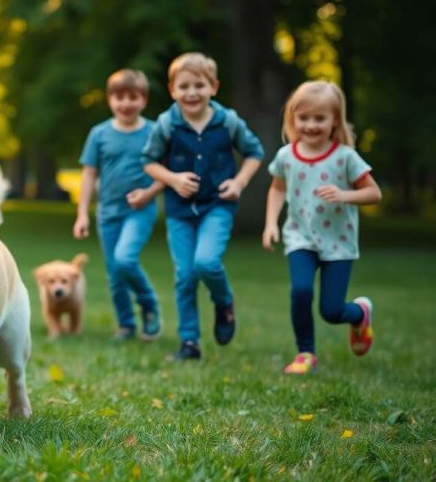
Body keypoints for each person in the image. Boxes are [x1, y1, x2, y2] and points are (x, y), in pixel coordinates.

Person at [143, 52, 264, 361]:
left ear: (214, 86)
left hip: (217, 206)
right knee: (185, 276)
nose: (192, 92)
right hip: (179, 212)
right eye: (184, 86)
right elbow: (149, 163)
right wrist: (172, 178)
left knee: (206, 263)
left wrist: (238, 183)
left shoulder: (228, 121)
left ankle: (224, 302)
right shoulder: (167, 124)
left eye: (200, 85)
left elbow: (254, 153)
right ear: (172, 90)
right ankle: (189, 343)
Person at [262, 81, 381, 375]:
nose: (311, 125)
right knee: (300, 291)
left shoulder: (345, 157)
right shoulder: (286, 156)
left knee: (331, 310)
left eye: (320, 118)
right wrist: (270, 224)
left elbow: (374, 193)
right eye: (304, 118)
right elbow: (277, 189)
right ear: (292, 119)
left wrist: (345, 195)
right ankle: (306, 353)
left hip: (338, 242)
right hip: (299, 236)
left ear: (334, 120)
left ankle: (360, 313)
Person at [73, 69, 164, 342]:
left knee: (125, 259)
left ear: (143, 100)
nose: (126, 103)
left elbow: (167, 171)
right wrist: (82, 215)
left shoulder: (154, 132)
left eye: (133, 97)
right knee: (114, 273)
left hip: (140, 210)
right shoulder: (99, 134)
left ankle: (149, 305)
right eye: (119, 97)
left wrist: (149, 193)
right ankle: (126, 325)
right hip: (107, 213)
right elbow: (89, 175)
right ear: (110, 100)